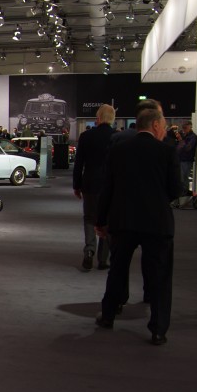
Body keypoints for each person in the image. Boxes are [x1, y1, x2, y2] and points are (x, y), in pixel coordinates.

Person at [95, 107, 181, 346]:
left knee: (117, 270)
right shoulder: (167, 151)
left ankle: (108, 315)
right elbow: (176, 190)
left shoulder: (119, 150)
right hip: (158, 223)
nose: (165, 130)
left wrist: (101, 221)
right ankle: (158, 329)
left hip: (124, 220)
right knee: (160, 276)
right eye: (164, 126)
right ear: (155, 125)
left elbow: (107, 188)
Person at [73, 105, 116, 271]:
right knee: (107, 220)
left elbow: (79, 164)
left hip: (90, 183)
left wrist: (77, 185)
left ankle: (89, 250)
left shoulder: (86, 136)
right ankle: (103, 259)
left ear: (98, 117)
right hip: (110, 186)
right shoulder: (116, 137)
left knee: (90, 218)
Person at [175, 122, 197, 197]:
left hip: (186, 160)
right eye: (183, 128)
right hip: (181, 159)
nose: (183, 130)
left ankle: (184, 196)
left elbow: (187, 148)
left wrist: (180, 140)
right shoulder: (185, 135)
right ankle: (182, 195)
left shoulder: (193, 137)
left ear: (190, 127)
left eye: (185, 128)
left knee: (184, 179)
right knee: (181, 179)